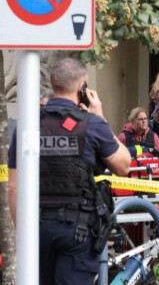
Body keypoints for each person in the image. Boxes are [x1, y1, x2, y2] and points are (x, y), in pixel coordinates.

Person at [8, 58, 131, 284]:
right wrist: (100, 115)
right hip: (78, 232)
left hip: (37, 228)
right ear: (81, 87)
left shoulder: (29, 124)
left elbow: (14, 189)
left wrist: (25, 234)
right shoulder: (92, 124)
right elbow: (124, 166)